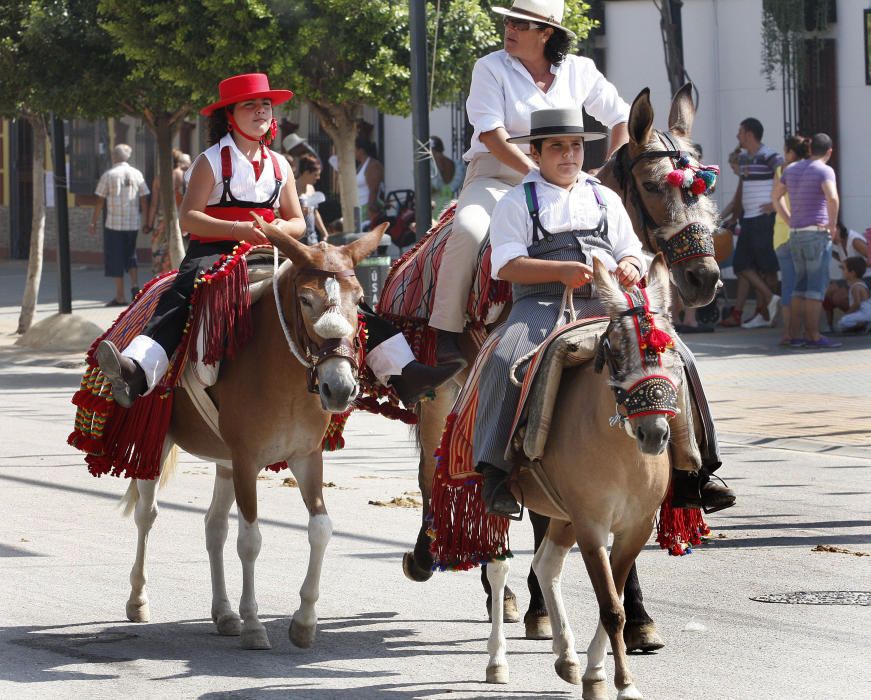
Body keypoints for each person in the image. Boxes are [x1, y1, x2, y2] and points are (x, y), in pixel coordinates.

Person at [93, 73, 456, 409]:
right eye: (249, 105)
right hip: (215, 252)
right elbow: (189, 217)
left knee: (342, 295)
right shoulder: (209, 161)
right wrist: (238, 231)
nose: (260, 111)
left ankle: (403, 373)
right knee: (181, 296)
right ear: (229, 116)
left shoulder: (280, 164)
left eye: (265, 105)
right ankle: (137, 371)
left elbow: (298, 221)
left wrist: (277, 231)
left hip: (274, 252)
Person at [428, 0, 630, 368]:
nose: (510, 28)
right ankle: (446, 332)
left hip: (567, 180)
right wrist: (537, 176)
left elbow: (621, 119)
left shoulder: (581, 70)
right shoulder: (489, 67)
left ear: (547, 32)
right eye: (509, 21)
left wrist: (605, 175)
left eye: (521, 23)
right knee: (469, 231)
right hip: (495, 176)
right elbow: (491, 134)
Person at [472, 108, 646, 516]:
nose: (568, 155)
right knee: (502, 359)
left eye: (575, 146)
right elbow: (506, 265)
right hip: (541, 303)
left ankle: (697, 464)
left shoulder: (606, 197)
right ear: (535, 152)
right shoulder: (516, 201)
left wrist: (631, 267)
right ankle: (494, 471)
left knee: (675, 352)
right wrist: (561, 271)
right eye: (556, 147)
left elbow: (631, 249)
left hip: (609, 301)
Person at [771, 132, 841, 348]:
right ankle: (813, 335)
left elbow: (775, 196)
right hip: (816, 233)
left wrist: (789, 219)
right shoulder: (824, 170)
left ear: (810, 149)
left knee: (799, 287)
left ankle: (793, 335)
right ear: (829, 152)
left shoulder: (791, 169)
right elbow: (832, 197)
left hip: (796, 234)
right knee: (815, 288)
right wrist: (832, 225)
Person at [721, 118, 783, 329]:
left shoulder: (770, 155)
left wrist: (776, 205)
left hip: (764, 219)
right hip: (748, 219)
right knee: (742, 265)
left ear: (749, 133)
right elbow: (741, 192)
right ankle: (769, 299)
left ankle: (767, 313)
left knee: (767, 267)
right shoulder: (745, 158)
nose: (738, 136)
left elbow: (787, 177)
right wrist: (734, 216)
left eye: (740, 132)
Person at [89, 144, 150, 306]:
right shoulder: (137, 174)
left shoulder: (109, 175)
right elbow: (144, 198)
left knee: (115, 258)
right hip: (133, 223)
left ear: (114, 157)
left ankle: (120, 296)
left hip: (114, 224)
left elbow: (100, 200)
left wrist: (93, 221)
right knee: (131, 255)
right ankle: (136, 286)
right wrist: (145, 222)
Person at [771, 135, 810, 345]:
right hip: (801, 232)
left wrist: (787, 220)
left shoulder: (781, 171)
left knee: (788, 284)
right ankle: (802, 330)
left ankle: (788, 332)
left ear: (790, 151)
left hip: (781, 234)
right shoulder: (807, 170)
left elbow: (774, 198)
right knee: (803, 285)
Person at [147, 149, 192, 276]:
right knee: (180, 255)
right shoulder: (188, 176)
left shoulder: (160, 178)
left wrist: (149, 224)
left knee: (160, 256)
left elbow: (154, 204)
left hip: (164, 222)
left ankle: (162, 281)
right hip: (184, 221)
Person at [296, 154, 330, 245]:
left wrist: (324, 233)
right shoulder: (292, 188)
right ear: (307, 172)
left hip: (312, 237)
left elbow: (315, 212)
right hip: (297, 239)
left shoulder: (311, 188)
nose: (318, 178)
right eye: (315, 175)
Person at [355, 137, 385, 227]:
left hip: (367, 209)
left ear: (360, 150)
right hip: (358, 209)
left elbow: (374, 190)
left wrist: (371, 213)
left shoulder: (373, 165)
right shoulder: (360, 166)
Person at [836, 257, 871, 333]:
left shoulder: (856, 287)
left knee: (842, 322)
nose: (842, 272)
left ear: (852, 273)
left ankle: (863, 325)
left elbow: (857, 304)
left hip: (866, 314)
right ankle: (862, 325)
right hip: (865, 314)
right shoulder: (860, 284)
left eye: (844, 269)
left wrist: (846, 314)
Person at [429, 136, 456, 217]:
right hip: (448, 199)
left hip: (437, 202)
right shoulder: (450, 162)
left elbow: (435, 185)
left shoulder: (436, 161)